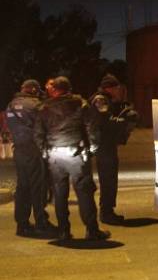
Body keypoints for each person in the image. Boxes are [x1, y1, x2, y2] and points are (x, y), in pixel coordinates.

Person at [34, 76, 110, 241]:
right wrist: (91, 149)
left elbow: (38, 133)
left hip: (54, 154)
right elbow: (92, 127)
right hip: (76, 153)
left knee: (60, 194)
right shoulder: (80, 104)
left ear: (55, 89)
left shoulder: (44, 107)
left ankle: (63, 231)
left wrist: (45, 152)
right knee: (84, 192)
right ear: (68, 88)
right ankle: (92, 230)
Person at [5, 79, 56, 237]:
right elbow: (47, 124)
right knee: (38, 187)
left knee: (23, 187)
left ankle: (22, 224)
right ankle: (41, 222)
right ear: (33, 89)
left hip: (19, 150)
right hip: (34, 149)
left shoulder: (11, 105)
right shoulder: (35, 105)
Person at [89, 74, 138, 225]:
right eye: (116, 88)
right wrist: (123, 121)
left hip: (107, 145)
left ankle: (108, 211)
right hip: (103, 146)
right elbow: (105, 121)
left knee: (110, 180)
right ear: (108, 88)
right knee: (108, 180)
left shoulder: (108, 100)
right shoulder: (100, 100)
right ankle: (106, 213)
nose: (118, 90)